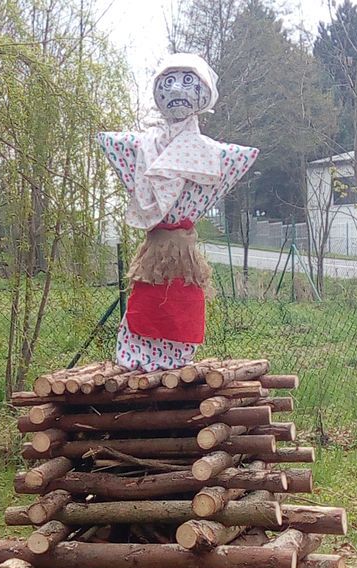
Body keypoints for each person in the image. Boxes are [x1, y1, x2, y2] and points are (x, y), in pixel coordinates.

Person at [98, 53, 259, 372]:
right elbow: (109, 140)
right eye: (168, 81)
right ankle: (138, 355)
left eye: (187, 81)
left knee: (180, 302)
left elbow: (243, 155)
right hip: (154, 251)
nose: (175, 89)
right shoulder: (142, 146)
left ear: (204, 92)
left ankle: (175, 357)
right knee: (147, 298)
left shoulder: (214, 154)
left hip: (181, 254)